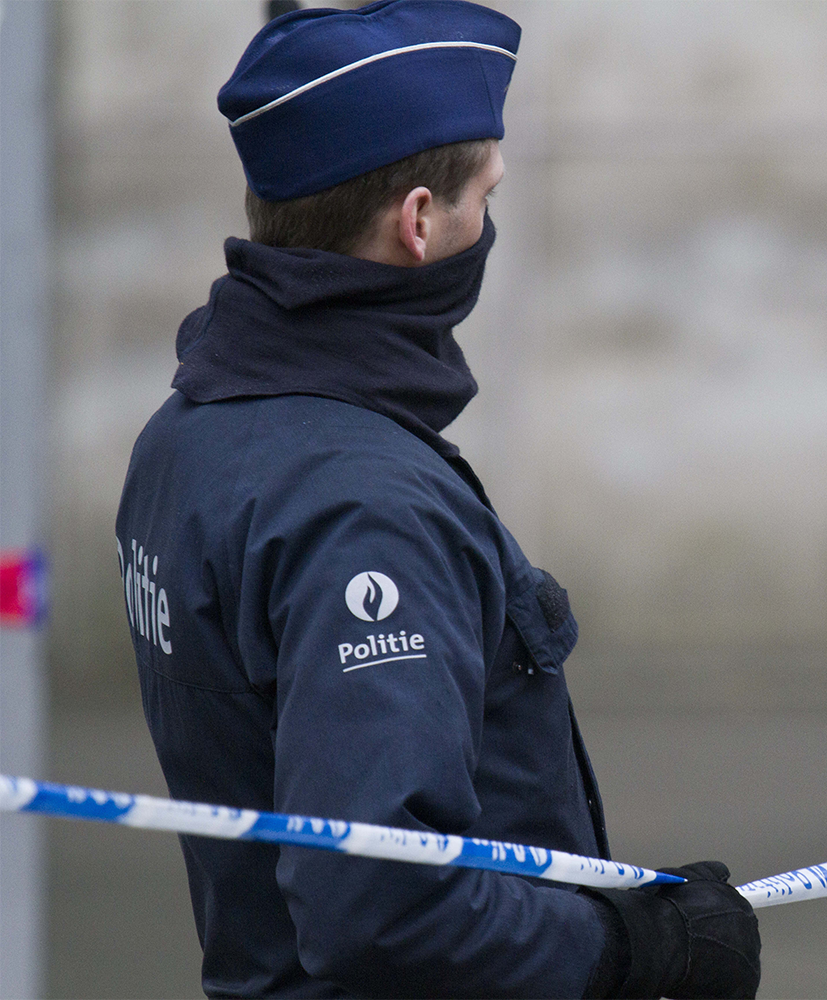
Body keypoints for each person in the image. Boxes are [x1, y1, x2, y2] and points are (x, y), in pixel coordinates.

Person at [113, 3, 760, 998]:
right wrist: (640, 952)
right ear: (420, 222)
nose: (488, 223)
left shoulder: (187, 429)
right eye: (483, 197)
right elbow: (386, 910)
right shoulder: (363, 504)